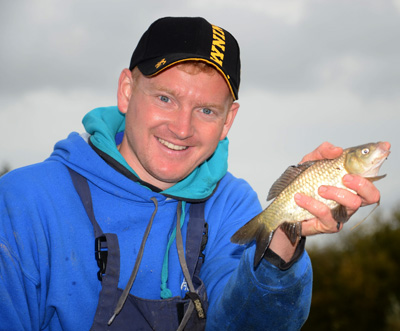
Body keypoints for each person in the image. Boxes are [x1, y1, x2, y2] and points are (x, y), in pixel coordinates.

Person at [0, 17, 383, 331]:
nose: (181, 128)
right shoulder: (24, 201)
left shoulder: (232, 205)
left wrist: (285, 234)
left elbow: (250, 325)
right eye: (165, 98)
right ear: (127, 90)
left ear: (228, 120)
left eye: (206, 110)